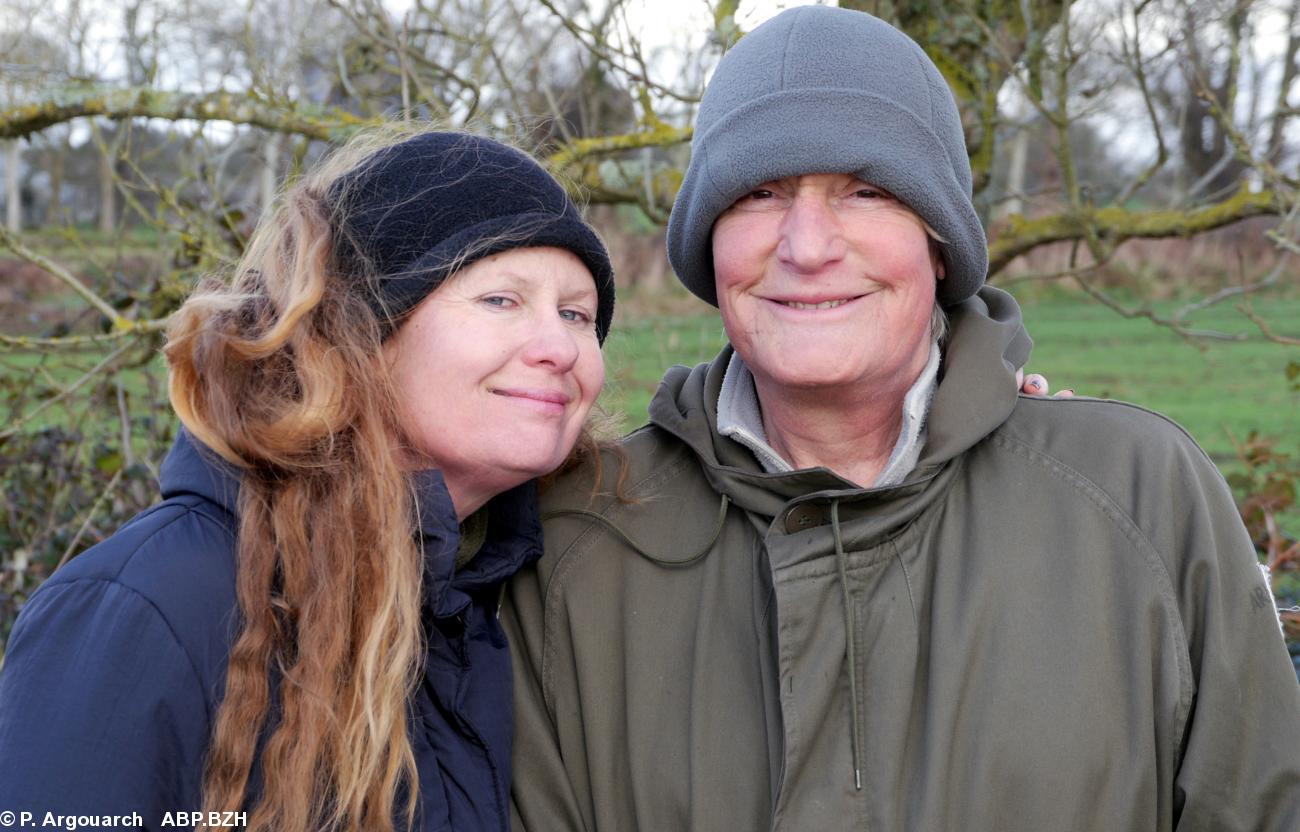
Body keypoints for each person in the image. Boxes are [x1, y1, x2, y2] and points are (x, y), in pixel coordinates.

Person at [503, 6, 1300, 831]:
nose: (807, 245)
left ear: (940, 241)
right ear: (709, 245)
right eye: (759, 193)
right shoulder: (577, 544)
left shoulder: (1142, 501)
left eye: (867, 191)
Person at [0, 128, 616, 832]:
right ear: (360, 328)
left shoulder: (478, 606)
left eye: (578, 314)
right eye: (501, 300)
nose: (559, 348)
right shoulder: (150, 606)